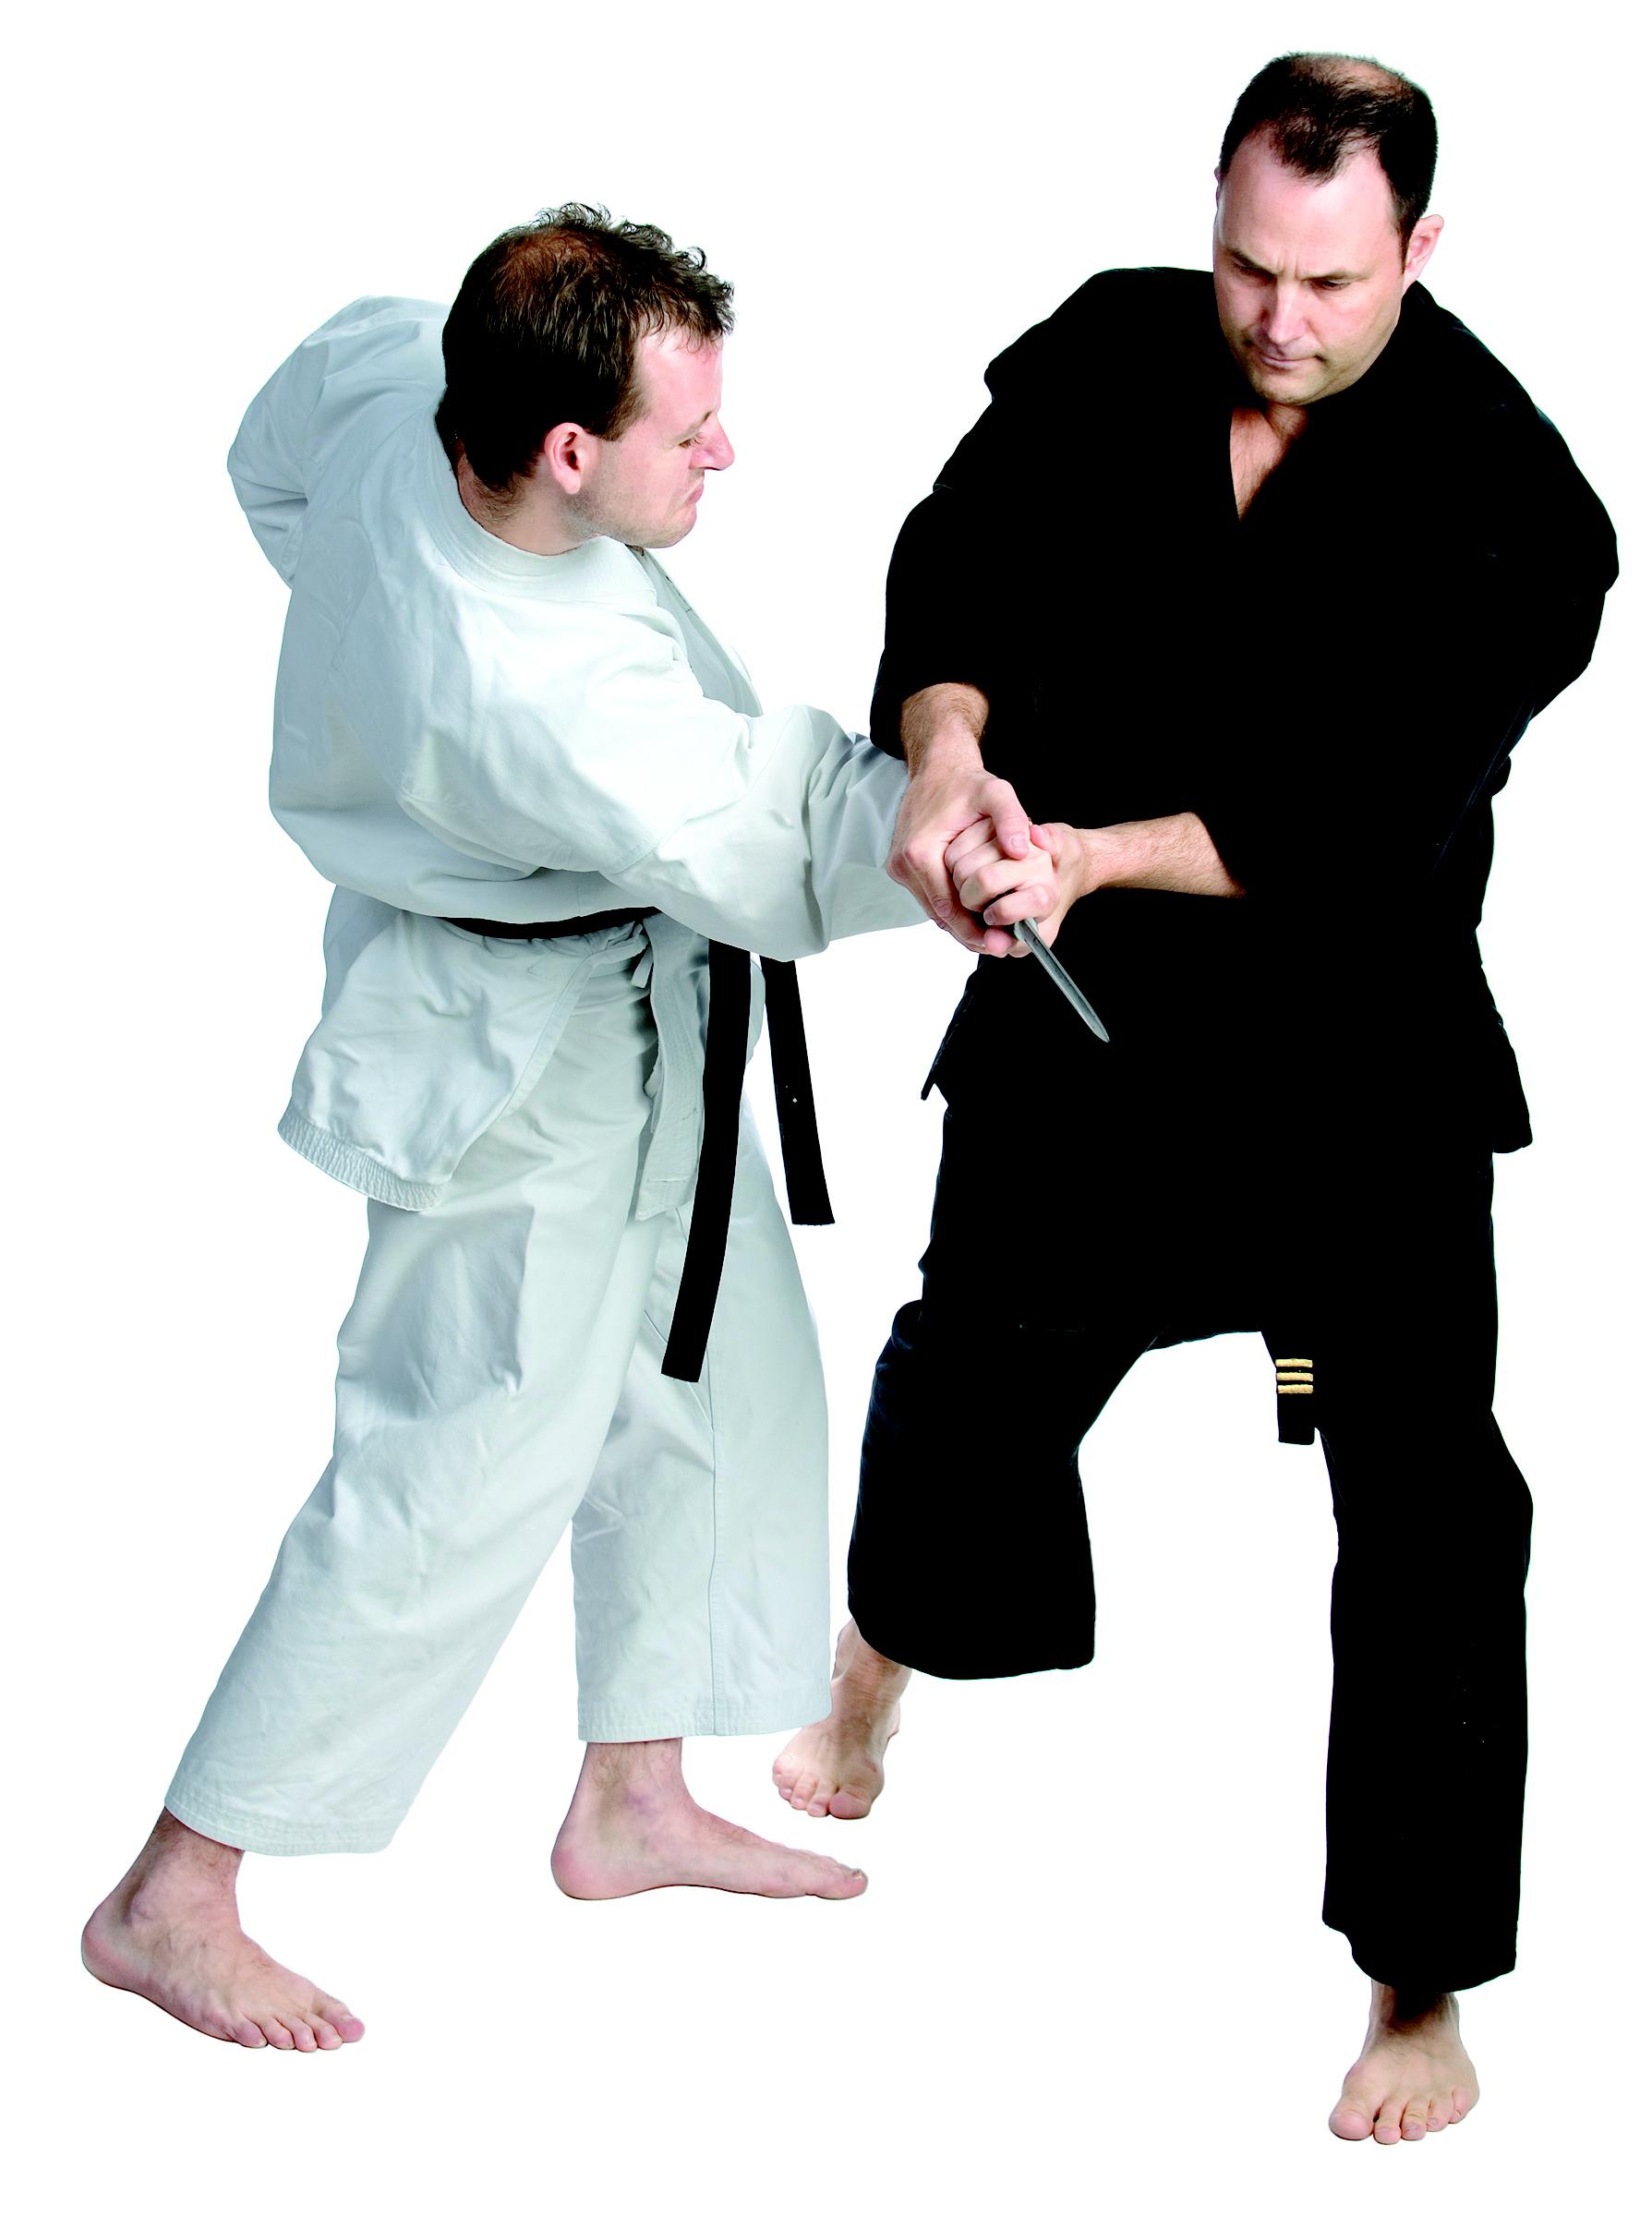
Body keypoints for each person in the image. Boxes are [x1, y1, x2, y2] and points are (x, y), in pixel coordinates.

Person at [774, 55, 1618, 2144]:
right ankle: (878, 1662)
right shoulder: (1110, 344)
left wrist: (1084, 850)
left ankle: (1417, 1980)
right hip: (1086, 1024)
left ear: (1419, 246)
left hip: (1355, 1070)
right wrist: (950, 763)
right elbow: (952, 566)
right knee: (972, 1375)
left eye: (1328, 281)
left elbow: (1368, 808)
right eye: (1248, 265)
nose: (1276, 318)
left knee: (1426, 1505)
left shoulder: (1522, 504)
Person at [80, 207, 1023, 2053]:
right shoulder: (537, 696)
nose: (727, 449)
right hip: (508, 1056)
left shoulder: (399, 380)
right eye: (691, 428)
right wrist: (963, 839)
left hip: (618, 991)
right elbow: (781, 850)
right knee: (455, 1462)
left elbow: (268, 455)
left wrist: (351, 656)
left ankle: (630, 1798)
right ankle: (170, 1895)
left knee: (712, 1377)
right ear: (569, 448)